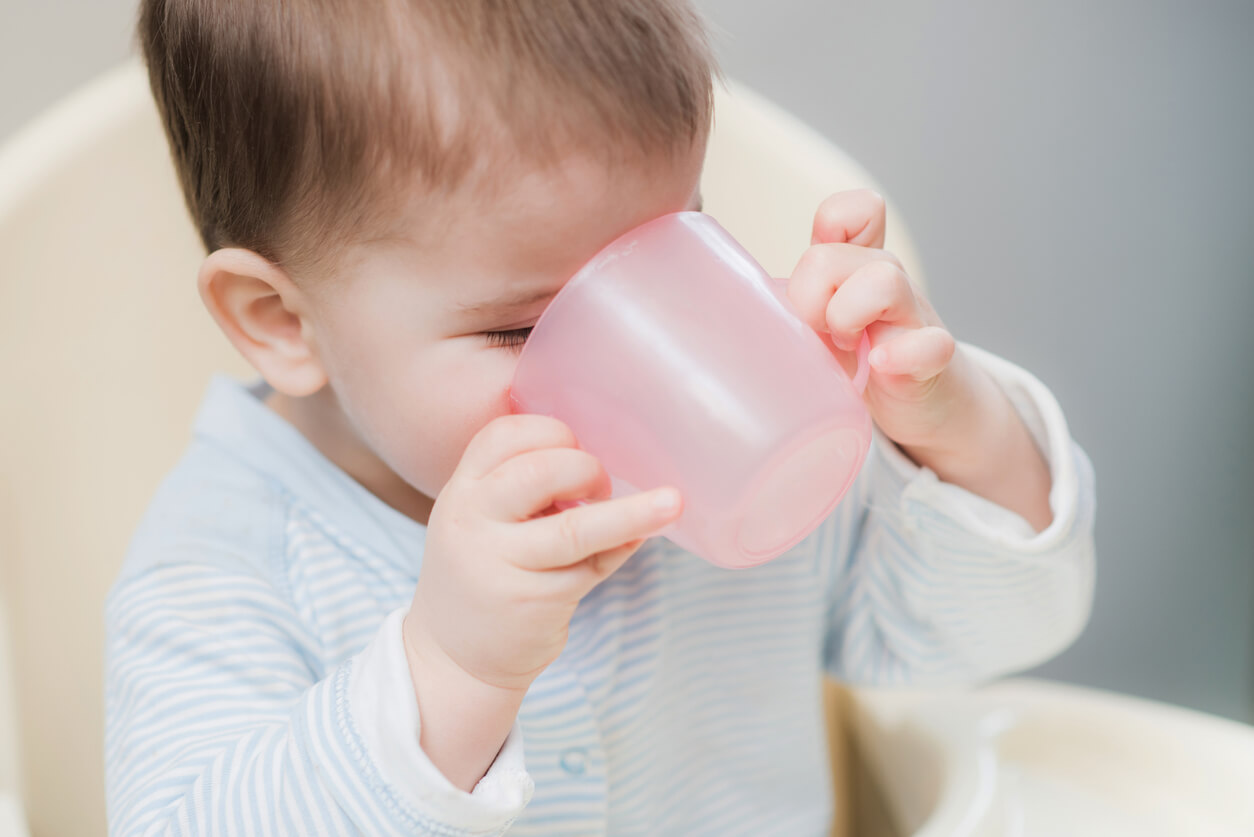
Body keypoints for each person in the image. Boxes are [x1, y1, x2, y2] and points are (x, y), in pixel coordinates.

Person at [105, 1, 1096, 834]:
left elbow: (984, 635)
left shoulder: (725, 442)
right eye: (529, 324)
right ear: (283, 320)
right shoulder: (226, 566)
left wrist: (953, 430)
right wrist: (450, 669)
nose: (642, 360)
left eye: (676, 254)